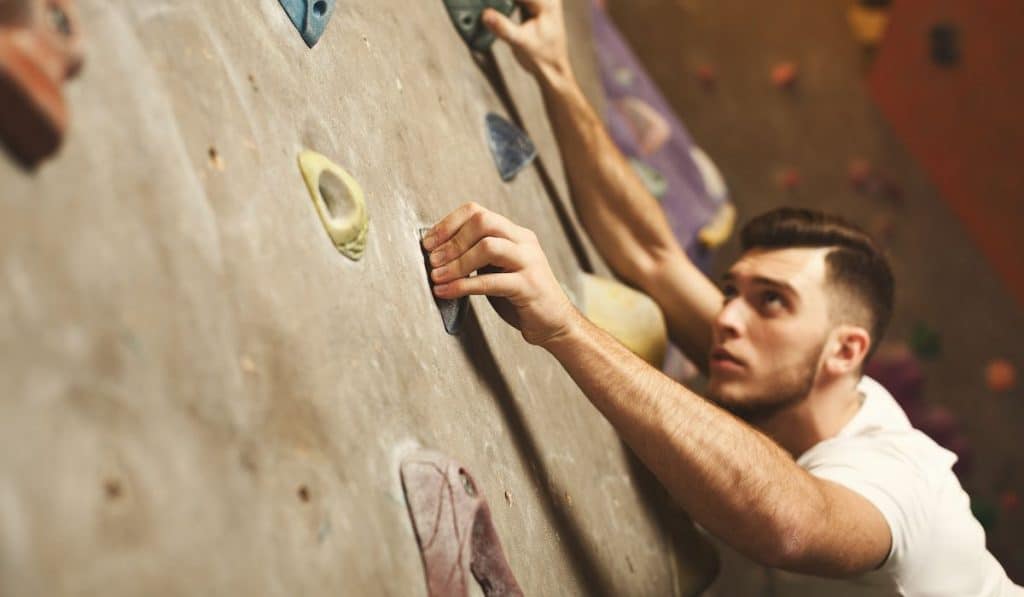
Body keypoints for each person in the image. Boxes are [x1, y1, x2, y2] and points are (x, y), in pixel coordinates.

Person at [420, 1, 1022, 595]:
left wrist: (565, 328)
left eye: (772, 302)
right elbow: (651, 253)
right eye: (734, 290)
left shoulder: (901, 478)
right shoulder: (788, 369)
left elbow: (792, 522)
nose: (727, 316)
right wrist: (554, 71)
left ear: (845, 351)